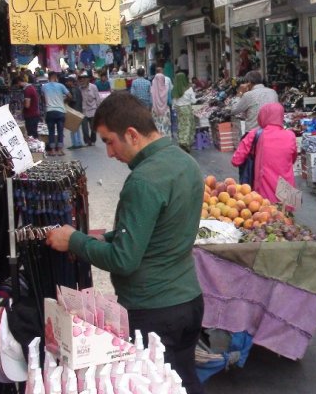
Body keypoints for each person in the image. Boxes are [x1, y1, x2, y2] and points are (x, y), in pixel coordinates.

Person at [45, 91, 204, 394]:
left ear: (131, 135)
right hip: (188, 302)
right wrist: (102, 238)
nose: (108, 153)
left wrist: (75, 240)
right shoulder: (185, 162)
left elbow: (123, 260)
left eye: (108, 141)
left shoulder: (143, 180)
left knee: (156, 383)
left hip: (154, 310)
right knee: (183, 380)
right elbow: (156, 232)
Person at [231, 102, 297, 203]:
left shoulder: (254, 134)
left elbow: (236, 161)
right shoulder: (291, 135)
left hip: (264, 193)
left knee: (266, 216)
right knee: (287, 216)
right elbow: (292, 159)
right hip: (287, 191)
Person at [41, 72, 72, 156]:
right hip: (60, 112)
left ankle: (53, 150)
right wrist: (64, 101)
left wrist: (47, 102)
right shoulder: (61, 86)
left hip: (50, 111)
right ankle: (60, 150)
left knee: (51, 131)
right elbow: (70, 96)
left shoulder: (44, 87)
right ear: (55, 77)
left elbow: (43, 98)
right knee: (60, 131)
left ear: (49, 77)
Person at [172, 73, 197, 152]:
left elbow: (174, 104)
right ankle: (186, 143)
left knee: (181, 125)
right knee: (188, 126)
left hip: (179, 110)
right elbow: (193, 101)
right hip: (187, 109)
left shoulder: (174, 89)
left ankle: (181, 141)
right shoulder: (189, 89)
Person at [80, 72, 102, 146]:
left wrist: (99, 110)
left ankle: (93, 140)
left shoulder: (93, 87)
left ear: (88, 80)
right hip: (83, 111)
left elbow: (97, 98)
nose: (82, 81)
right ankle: (87, 141)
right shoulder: (80, 88)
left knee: (93, 128)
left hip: (93, 109)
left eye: (84, 79)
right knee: (84, 129)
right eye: (81, 79)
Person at [63, 75, 85, 149]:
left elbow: (73, 99)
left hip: (73, 110)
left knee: (73, 128)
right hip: (79, 109)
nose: (66, 82)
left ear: (71, 82)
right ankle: (79, 142)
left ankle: (75, 144)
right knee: (77, 128)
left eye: (68, 81)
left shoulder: (72, 90)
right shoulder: (78, 89)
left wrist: (66, 100)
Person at [150, 73, 171, 139]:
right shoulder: (166, 88)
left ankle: (157, 139)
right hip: (165, 110)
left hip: (155, 110)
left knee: (156, 125)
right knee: (165, 126)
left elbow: (151, 101)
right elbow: (169, 101)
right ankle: (166, 140)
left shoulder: (152, 89)